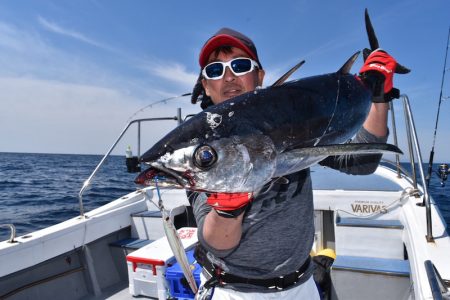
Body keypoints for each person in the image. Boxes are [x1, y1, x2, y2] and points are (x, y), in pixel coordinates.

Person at [189, 27, 399, 299]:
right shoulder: (200, 147)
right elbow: (217, 243)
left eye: (240, 65)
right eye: (215, 70)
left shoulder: (290, 122)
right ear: (206, 85)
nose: (228, 77)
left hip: (301, 286)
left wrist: (378, 94)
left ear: (259, 76)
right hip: (233, 291)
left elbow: (362, 163)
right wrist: (228, 210)